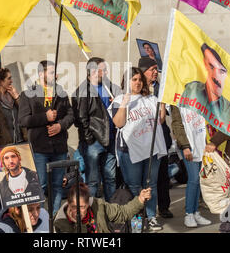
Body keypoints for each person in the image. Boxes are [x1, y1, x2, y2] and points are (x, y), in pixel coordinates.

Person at [108, 67, 168, 232]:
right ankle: (137, 218)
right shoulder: (120, 99)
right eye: (134, 79)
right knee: (134, 187)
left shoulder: (150, 99)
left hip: (151, 150)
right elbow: (119, 123)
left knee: (150, 185)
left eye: (139, 79)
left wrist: (162, 102)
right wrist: (125, 104)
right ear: (126, 81)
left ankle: (151, 216)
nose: (138, 82)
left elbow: (160, 121)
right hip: (130, 151)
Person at [18, 60, 74, 215]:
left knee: (57, 185)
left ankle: (55, 218)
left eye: (55, 72)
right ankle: (40, 217)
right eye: (51, 72)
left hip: (59, 147)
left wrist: (60, 125)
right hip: (39, 148)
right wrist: (45, 117)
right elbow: (23, 120)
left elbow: (70, 115)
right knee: (40, 185)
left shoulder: (61, 93)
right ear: (41, 74)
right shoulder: (27, 94)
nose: (55, 75)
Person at [180, 43, 230, 138]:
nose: (216, 76)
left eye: (221, 71)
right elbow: (180, 122)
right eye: (211, 67)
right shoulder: (191, 92)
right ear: (204, 67)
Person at [71, 57, 121, 201]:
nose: (105, 73)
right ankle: (91, 214)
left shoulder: (109, 87)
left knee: (110, 178)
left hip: (110, 139)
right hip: (94, 141)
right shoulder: (83, 91)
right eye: (102, 70)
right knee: (93, 181)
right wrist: (89, 139)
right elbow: (81, 119)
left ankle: (111, 212)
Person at [138, 57, 173, 219]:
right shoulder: (137, 87)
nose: (154, 72)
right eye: (151, 69)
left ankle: (164, 206)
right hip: (144, 136)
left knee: (162, 173)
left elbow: (162, 118)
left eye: (155, 69)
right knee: (146, 176)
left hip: (161, 135)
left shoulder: (161, 87)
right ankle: (142, 209)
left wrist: (163, 101)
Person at [170, 104, 212, 228]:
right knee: (193, 180)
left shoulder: (200, 96)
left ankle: (195, 212)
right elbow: (177, 124)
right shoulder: (177, 100)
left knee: (199, 180)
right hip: (189, 147)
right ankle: (188, 214)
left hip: (202, 144)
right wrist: (185, 146)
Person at [54, 183, 151, 233]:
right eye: (74, 207)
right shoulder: (60, 222)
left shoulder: (98, 205)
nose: (78, 211)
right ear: (69, 204)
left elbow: (122, 213)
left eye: (82, 207)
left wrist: (140, 199)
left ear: (88, 204)